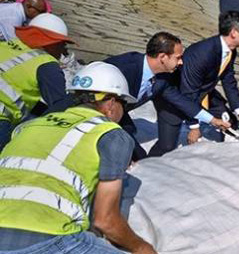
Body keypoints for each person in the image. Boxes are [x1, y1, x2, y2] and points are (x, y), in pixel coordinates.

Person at [0, 62, 157, 254]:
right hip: (47, 236)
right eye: (123, 104)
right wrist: (142, 247)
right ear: (111, 104)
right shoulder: (111, 134)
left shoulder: (28, 126)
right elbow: (105, 220)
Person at [104, 32, 230, 161]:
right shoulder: (123, 68)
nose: (181, 62)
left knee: (136, 151)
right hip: (97, 111)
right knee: (133, 150)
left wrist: (212, 120)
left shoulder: (162, 79)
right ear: (163, 57)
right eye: (178, 57)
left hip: (117, 113)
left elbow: (181, 101)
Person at [150, 10, 239, 157]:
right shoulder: (202, 54)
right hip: (176, 96)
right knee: (167, 145)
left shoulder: (230, 51)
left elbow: (229, 80)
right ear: (234, 33)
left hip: (203, 92)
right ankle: (142, 165)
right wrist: (194, 126)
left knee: (230, 120)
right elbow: (188, 91)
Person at [0, 13, 75, 149]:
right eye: (63, 44)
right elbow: (59, 107)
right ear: (51, 43)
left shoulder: (6, 44)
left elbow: (14, 86)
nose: (65, 51)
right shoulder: (47, 64)